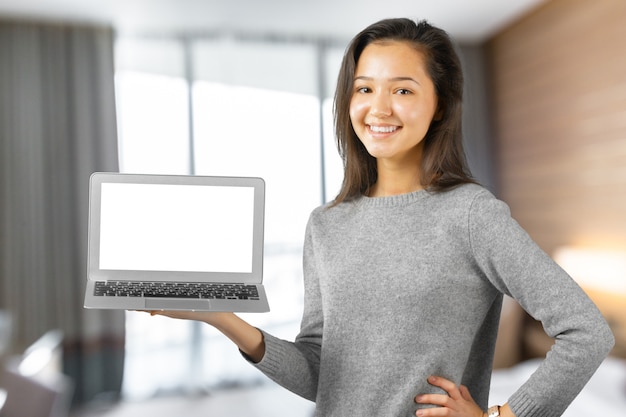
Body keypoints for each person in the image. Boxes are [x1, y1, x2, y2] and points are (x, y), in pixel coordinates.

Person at [147, 18, 614, 417]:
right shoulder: (325, 224)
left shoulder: (471, 214)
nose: (379, 108)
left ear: (440, 105)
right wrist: (223, 320)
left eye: (403, 90)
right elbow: (321, 374)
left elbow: (586, 332)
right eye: (364, 88)